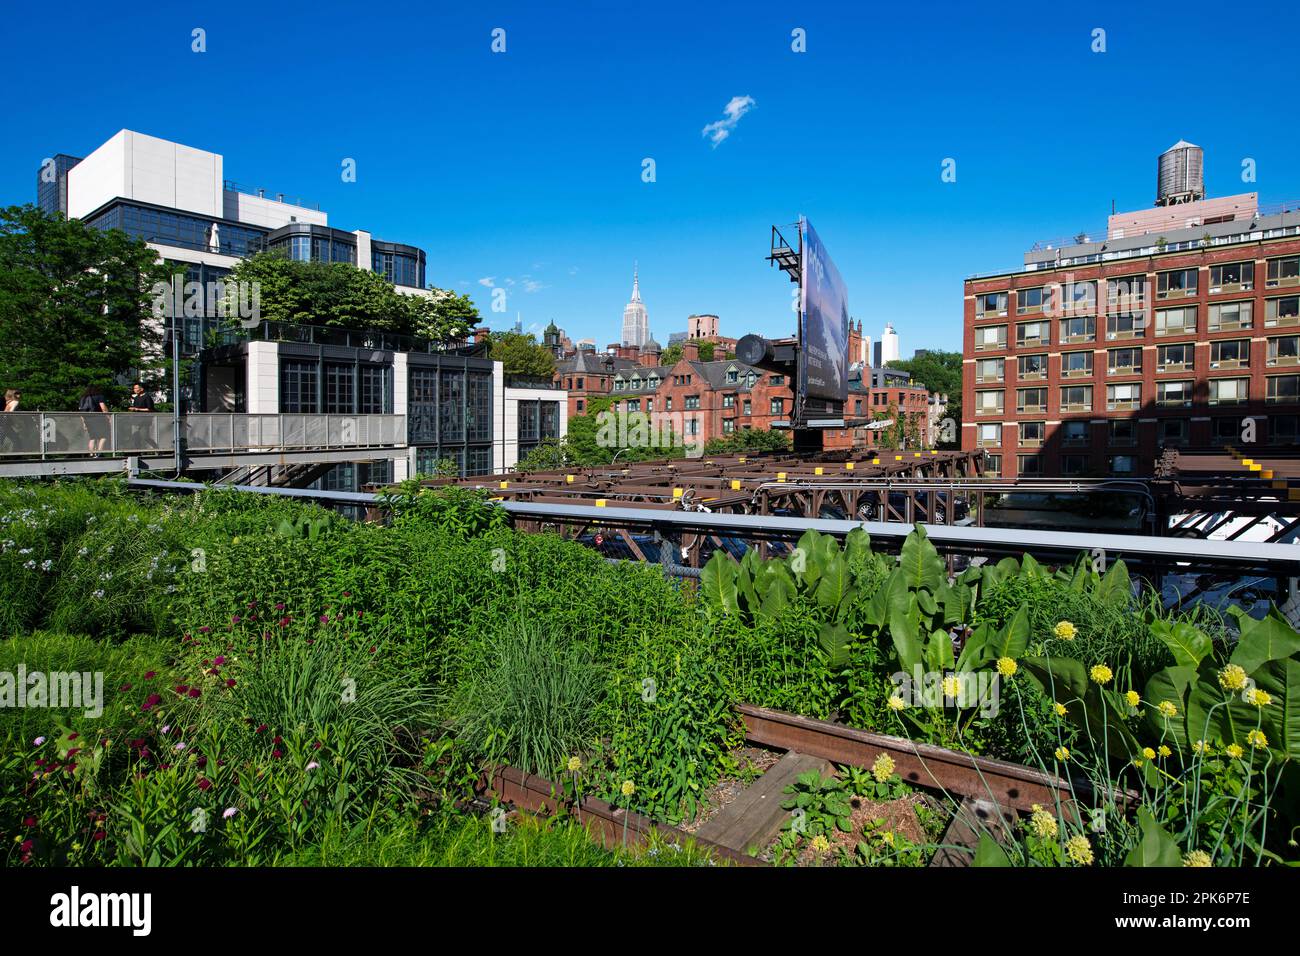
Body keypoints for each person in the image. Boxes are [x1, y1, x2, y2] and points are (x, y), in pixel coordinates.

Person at [78, 385, 110, 455]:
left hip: (87, 419)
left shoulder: (83, 398)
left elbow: (81, 411)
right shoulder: (99, 396)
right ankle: (99, 453)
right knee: (103, 436)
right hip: (98, 419)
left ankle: (91, 454)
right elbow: (103, 408)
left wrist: (83, 423)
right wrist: (109, 417)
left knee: (92, 438)